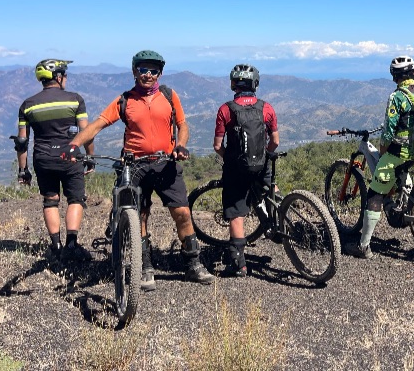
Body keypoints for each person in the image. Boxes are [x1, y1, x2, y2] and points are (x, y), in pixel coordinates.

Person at [64, 50, 214, 288]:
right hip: (135, 165)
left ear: (160, 73)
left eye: (153, 70)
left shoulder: (169, 95)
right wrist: (74, 145)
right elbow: (98, 124)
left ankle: (193, 264)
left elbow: (182, 125)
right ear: (134, 71)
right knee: (139, 216)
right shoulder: (125, 100)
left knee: (183, 213)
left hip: (166, 163)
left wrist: (181, 145)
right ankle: (145, 267)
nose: (148, 74)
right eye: (143, 69)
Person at [344, 55, 414, 259]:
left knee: (374, 195)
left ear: (395, 76)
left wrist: (383, 150)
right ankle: (401, 205)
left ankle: (363, 246)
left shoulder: (397, 97)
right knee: (400, 170)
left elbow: (388, 132)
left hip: (399, 152)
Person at [14, 59, 95, 262]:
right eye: (64, 75)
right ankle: (72, 245)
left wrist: (23, 170)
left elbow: (22, 142)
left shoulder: (28, 104)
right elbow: (86, 133)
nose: (65, 78)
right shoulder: (75, 99)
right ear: (57, 77)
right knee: (75, 199)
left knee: (50, 200)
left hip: (43, 159)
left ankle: (56, 247)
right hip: (71, 157)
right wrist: (90, 156)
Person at [213, 63, 280, 277]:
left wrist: (230, 160)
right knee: (272, 189)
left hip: (236, 169)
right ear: (255, 84)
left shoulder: (225, 110)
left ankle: (239, 264)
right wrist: (265, 156)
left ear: (234, 84)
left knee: (236, 212)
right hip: (261, 165)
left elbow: (217, 146)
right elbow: (275, 141)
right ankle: (278, 222)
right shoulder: (266, 108)